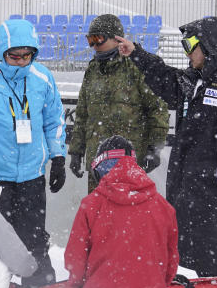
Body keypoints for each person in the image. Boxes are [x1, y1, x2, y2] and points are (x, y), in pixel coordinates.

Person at [115, 16, 217, 277]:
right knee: (193, 232)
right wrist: (137, 54)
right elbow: (166, 79)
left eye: (191, 44)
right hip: (190, 176)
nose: (188, 51)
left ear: (209, 45)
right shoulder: (193, 79)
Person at [0, 19, 67, 286]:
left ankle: (39, 285)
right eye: (13, 56)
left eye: (26, 56)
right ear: (1, 51)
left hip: (32, 174)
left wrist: (58, 157)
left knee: (34, 233)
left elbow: (54, 119)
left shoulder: (42, 78)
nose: (20, 61)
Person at [64, 136, 179, 288]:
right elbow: (171, 263)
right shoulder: (163, 206)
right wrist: (157, 287)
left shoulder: (91, 204)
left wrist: (78, 285)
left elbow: (75, 260)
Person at [68, 14, 169, 193]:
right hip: (97, 162)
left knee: (129, 216)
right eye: (90, 40)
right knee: (97, 213)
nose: (93, 45)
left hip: (129, 161)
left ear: (117, 39)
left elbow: (157, 110)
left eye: (98, 39)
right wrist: (76, 151)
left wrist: (155, 148)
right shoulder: (92, 70)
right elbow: (82, 114)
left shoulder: (137, 66)